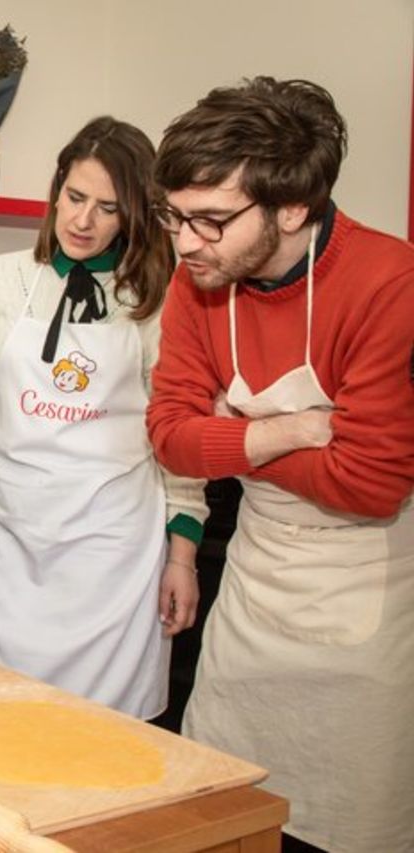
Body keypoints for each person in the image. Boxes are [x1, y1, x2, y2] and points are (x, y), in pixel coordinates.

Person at [147, 77, 414, 853]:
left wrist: (229, 433)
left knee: (347, 827)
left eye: (211, 220)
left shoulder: (388, 283)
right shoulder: (200, 285)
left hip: (362, 599)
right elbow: (168, 436)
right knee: (222, 811)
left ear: (293, 207)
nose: (186, 241)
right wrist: (289, 431)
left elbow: (370, 485)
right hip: (254, 604)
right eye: (176, 216)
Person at [0, 117, 210, 719]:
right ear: (56, 189)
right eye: (75, 197)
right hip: (2, 541)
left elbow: (178, 438)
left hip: (109, 552)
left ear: (135, 213)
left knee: (103, 735)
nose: (83, 221)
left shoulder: (163, 297)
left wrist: (181, 556)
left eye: (107, 208)